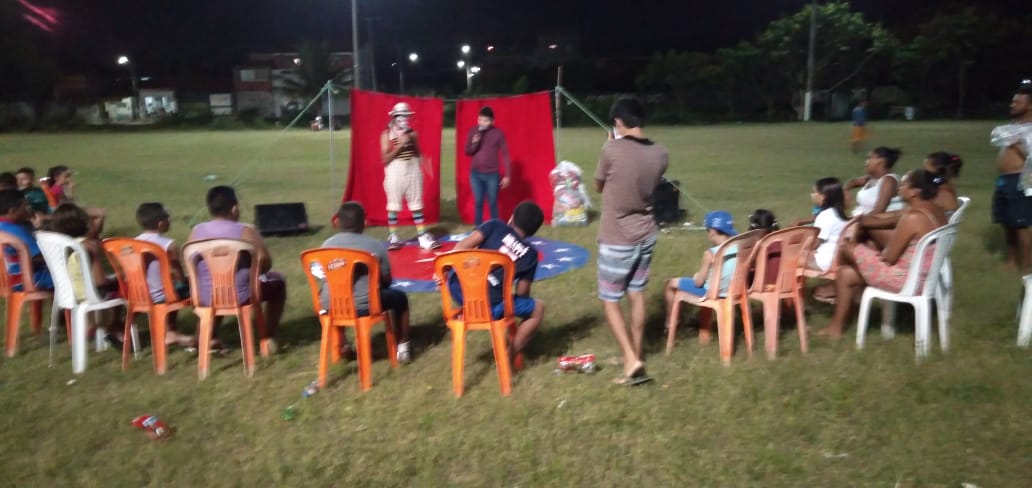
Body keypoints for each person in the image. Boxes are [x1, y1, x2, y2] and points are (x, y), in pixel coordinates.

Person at [595, 97, 668, 386]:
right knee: (636, 293)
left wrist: (610, 146)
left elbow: (599, 185)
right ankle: (635, 353)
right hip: (646, 233)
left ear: (618, 122)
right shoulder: (661, 153)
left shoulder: (611, 150)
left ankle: (631, 359)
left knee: (610, 300)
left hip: (616, 236)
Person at [824, 169, 947, 339]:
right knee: (844, 274)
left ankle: (837, 292)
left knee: (847, 247)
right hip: (925, 278)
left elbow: (889, 257)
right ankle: (836, 328)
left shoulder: (913, 217)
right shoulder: (936, 211)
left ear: (915, 191)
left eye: (904, 184)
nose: (899, 188)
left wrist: (863, 250)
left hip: (904, 279)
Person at [188, 186, 286, 348]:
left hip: (204, 296)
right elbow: (265, 261)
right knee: (278, 284)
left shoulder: (196, 231)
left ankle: (205, 336)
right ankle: (267, 336)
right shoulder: (245, 231)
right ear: (234, 208)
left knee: (217, 288)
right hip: (241, 296)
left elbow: (191, 261)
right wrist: (253, 274)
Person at [446, 201, 546, 360]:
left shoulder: (494, 225)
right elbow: (522, 293)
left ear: (512, 218)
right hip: (491, 306)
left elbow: (461, 247)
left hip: (459, 290)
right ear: (532, 232)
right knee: (538, 309)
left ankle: (469, 310)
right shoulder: (530, 255)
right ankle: (509, 355)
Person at [320, 202, 412, 363]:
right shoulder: (374, 245)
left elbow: (322, 276)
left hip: (331, 304)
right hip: (366, 305)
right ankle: (402, 347)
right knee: (400, 299)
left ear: (338, 222)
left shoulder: (326, 245)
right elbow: (387, 279)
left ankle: (342, 345)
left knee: (330, 294)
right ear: (364, 223)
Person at [49, 203, 123, 344]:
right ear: (85, 223)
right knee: (123, 287)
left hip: (68, 294)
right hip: (90, 295)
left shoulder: (58, 244)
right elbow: (100, 282)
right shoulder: (89, 246)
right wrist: (119, 277)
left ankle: (94, 327)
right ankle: (112, 327)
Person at [134, 202, 194, 347]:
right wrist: (187, 282)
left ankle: (170, 331)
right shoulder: (168, 245)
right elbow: (178, 273)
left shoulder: (131, 243)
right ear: (161, 224)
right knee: (188, 287)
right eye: (168, 219)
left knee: (170, 286)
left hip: (137, 295)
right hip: (162, 297)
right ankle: (203, 333)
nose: (170, 221)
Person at [381, 102, 438, 251]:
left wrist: (425, 164)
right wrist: (400, 145)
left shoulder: (412, 134)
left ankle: (422, 236)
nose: (404, 119)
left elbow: (418, 153)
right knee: (393, 205)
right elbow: (385, 159)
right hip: (395, 172)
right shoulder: (387, 134)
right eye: (401, 116)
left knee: (416, 204)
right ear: (394, 117)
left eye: (406, 116)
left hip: (412, 171)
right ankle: (393, 236)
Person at [663, 210, 738, 320]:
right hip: (734, 290)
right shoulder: (739, 247)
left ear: (712, 232)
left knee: (670, 283)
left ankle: (671, 321)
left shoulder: (710, 253)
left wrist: (697, 276)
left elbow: (698, 283)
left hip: (712, 292)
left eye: (707, 230)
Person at [990, 84, 1032, 274]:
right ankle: (1012, 259)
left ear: (1030, 106)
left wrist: (1016, 145)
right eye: (1012, 101)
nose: (1012, 105)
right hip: (1004, 179)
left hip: (1022, 178)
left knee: (1020, 223)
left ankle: (1026, 267)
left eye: (1017, 102)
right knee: (1007, 222)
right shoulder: (1012, 127)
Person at [464, 106, 512, 226]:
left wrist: (507, 175)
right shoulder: (473, 131)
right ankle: (478, 228)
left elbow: (505, 154)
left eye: (485, 120)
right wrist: (475, 142)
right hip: (475, 174)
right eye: (480, 119)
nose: (482, 123)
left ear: (492, 121)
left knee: (492, 202)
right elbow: (468, 152)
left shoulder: (498, 133)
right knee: (479, 201)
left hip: (492, 174)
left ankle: (495, 227)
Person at [0, 189, 52, 291]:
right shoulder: (16, 229)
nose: (29, 209)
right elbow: (39, 257)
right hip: (26, 280)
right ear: (13, 211)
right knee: (73, 273)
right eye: (26, 206)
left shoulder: (4, 226)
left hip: (6, 281)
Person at [844, 147, 904, 217]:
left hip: (873, 222)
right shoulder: (871, 178)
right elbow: (853, 182)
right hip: (860, 219)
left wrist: (853, 220)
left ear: (881, 161)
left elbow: (879, 211)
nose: (866, 163)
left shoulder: (889, 181)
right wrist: (846, 190)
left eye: (869, 158)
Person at [747, 209, 781, 289]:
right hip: (786, 283)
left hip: (765, 286)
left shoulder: (759, 245)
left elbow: (749, 266)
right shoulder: (784, 240)